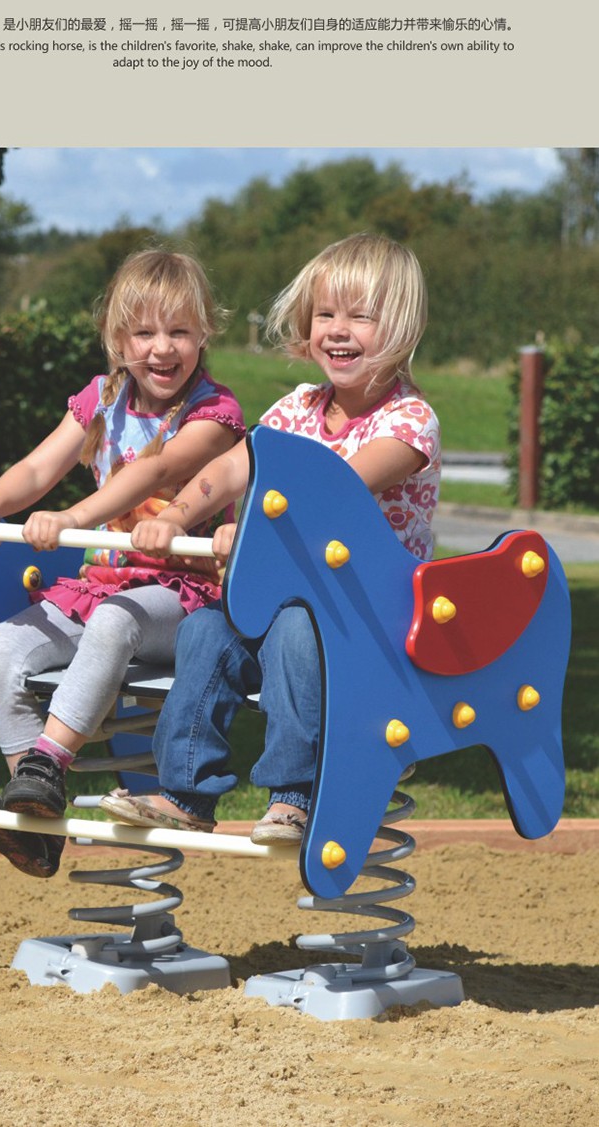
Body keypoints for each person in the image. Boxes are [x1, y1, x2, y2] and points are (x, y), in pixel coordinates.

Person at [100, 232, 440, 844]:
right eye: (325, 315)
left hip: (368, 617)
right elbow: (234, 467)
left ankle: (295, 796)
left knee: (293, 632)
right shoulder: (295, 410)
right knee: (205, 631)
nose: (338, 330)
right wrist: (176, 515)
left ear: (401, 327)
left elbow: (336, 493)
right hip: (286, 598)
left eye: (361, 316)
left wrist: (253, 530)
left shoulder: (409, 421)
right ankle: (185, 793)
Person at [0, 249, 245, 875]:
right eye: (144, 333)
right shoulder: (101, 401)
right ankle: (37, 812)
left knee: (115, 620)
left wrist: (73, 517)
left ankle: (46, 764)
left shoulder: (214, 413)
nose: (162, 348)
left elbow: (156, 470)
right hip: (103, 584)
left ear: (204, 334)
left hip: (181, 597)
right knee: (1, 648)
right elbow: (38, 467)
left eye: (179, 331)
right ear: (116, 338)